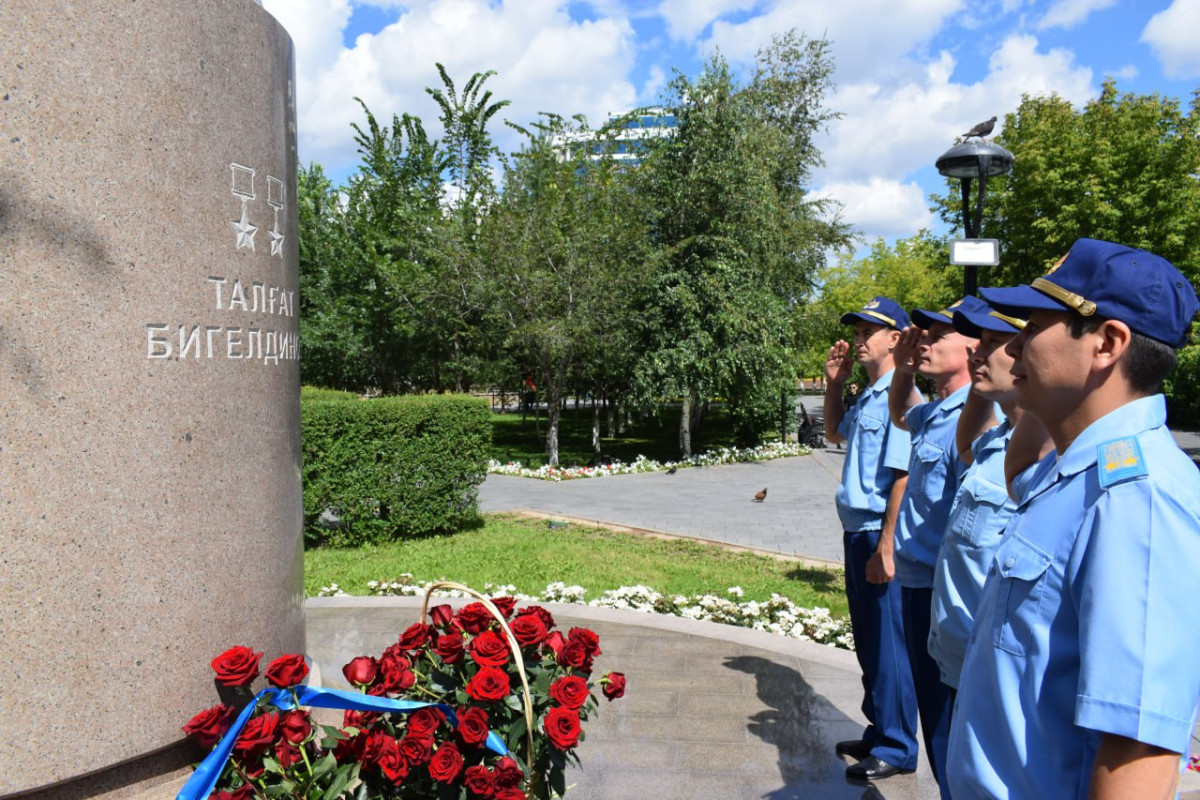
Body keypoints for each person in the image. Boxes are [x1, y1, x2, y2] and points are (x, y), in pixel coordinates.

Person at [947, 238, 1200, 799]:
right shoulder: (1073, 470)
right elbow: (1017, 473)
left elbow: (1138, 754)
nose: (1014, 345)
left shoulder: (1139, 498)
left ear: (1107, 343)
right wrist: (1044, 406)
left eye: (1035, 324)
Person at [926, 300, 1051, 699]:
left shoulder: (1045, 453)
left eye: (994, 342)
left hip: (989, 678)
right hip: (956, 655)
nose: (975, 353)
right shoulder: (997, 442)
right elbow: (966, 446)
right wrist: (982, 383)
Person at [887, 295, 984, 796]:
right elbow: (904, 415)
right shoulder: (943, 411)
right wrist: (904, 369)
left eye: (937, 335)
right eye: (920, 334)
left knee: (947, 726)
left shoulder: (975, 418)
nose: (923, 341)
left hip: (941, 594)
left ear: (975, 345)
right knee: (935, 718)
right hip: (918, 582)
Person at [822, 296, 921, 782]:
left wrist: (887, 545)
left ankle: (898, 745)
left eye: (869, 332)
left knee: (889, 645)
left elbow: (902, 474)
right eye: (857, 331)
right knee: (868, 641)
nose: (859, 339)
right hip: (855, 531)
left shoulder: (900, 397)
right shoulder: (869, 394)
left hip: (877, 533)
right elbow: (835, 431)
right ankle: (880, 727)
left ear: (896, 339)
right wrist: (835, 386)